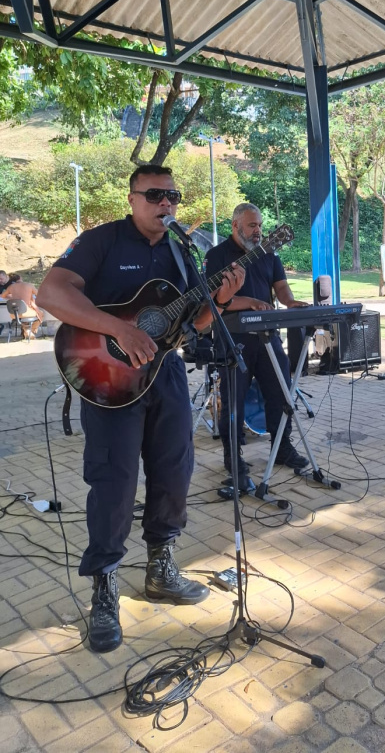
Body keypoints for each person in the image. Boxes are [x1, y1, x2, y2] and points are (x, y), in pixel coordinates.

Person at [37, 164, 244, 654]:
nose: (164, 203)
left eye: (172, 194)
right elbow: (51, 293)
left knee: (175, 470)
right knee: (114, 479)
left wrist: (219, 297)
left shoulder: (180, 250)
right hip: (107, 377)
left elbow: (187, 324)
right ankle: (104, 585)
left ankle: (160, 567)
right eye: (154, 195)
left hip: (164, 371)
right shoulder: (102, 240)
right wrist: (117, 327)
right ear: (132, 199)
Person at [204, 203, 309, 491]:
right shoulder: (217, 256)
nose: (258, 231)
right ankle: (233, 456)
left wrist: (291, 303)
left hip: (267, 335)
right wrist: (250, 302)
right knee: (234, 399)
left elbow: (281, 289)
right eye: (252, 225)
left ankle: (282, 447)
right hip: (233, 337)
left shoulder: (269, 255)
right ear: (236, 225)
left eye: (260, 225)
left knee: (280, 390)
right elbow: (213, 299)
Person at [1, 273, 44, 337]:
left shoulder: (10, 287)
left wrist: (11, 297)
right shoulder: (29, 285)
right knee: (41, 313)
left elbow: (3, 296)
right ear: (20, 278)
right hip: (27, 312)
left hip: (14, 314)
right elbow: (39, 294)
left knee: (25, 318)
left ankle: (26, 330)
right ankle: (30, 330)